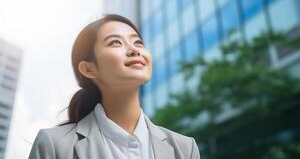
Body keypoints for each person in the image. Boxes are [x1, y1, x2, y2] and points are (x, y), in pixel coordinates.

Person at [28, 14, 200, 159]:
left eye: (138, 43)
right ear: (89, 69)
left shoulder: (184, 149)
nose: (134, 50)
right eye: (116, 42)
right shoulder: (53, 145)